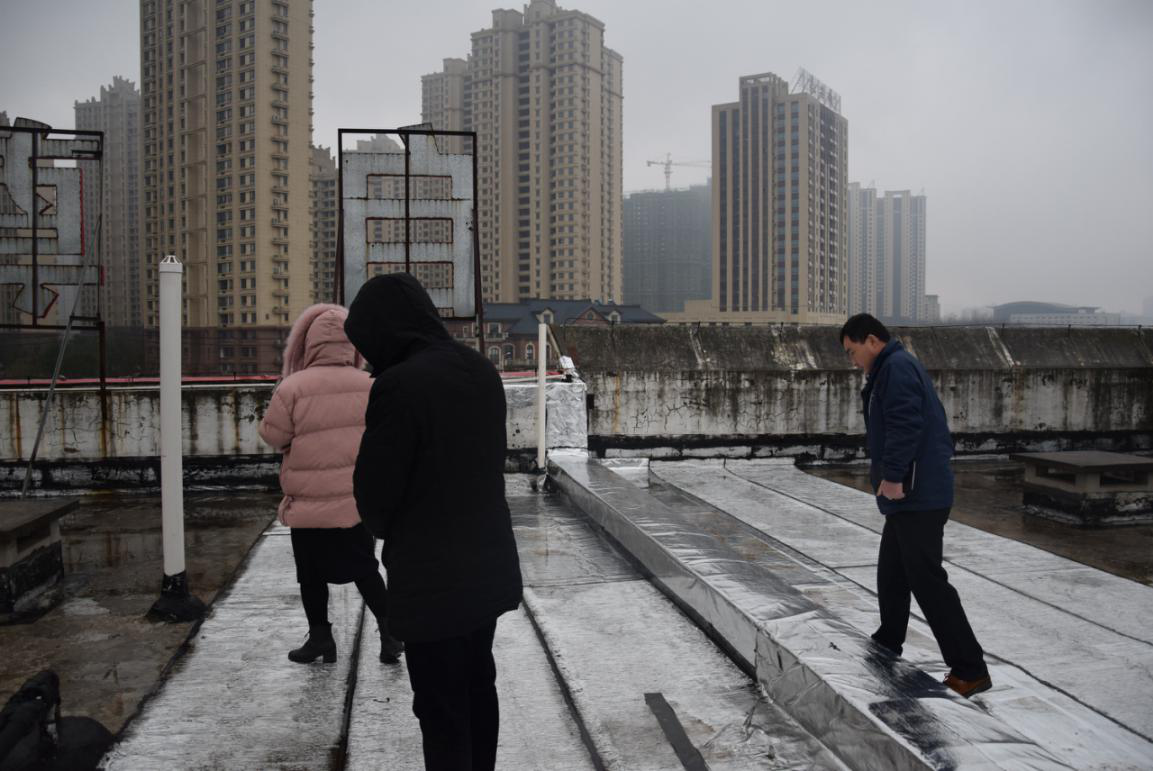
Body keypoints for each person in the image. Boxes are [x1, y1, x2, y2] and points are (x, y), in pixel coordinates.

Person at [345, 273, 523, 771]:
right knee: (477, 686)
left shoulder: (400, 385)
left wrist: (385, 525)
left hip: (432, 577)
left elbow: (376, 494)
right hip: (486, 563)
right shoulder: (480, 369)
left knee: (440, 705)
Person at [840, 313, 992, 698]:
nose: (852, 360)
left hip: (917, 494)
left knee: (927, 581)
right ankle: (888, 640)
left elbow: (906, 425)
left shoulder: (896, 368)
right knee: (892, 572)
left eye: (852, 351)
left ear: (871, 340)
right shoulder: (890, 368)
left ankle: (970, 669)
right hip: (912, 493)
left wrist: (893, 477)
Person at [259, 304, 404, 666]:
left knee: (310, 574)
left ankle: (321, 638)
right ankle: (391, 633)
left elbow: (273, 436)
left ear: (308, 344)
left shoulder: (292, 387)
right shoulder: (370, 385)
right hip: (354, 500)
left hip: (308, 501)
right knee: (364, 568)